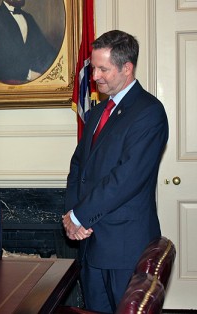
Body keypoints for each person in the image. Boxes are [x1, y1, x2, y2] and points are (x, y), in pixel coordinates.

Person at [62, 30, 169, 313]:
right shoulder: (97, 113)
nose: (95, 76)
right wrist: (73, 213)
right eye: (93, 67)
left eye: (102, 69)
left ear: (127, 68)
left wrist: (78, 215)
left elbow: (126, 180)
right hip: (90, 243)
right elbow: (78, 167)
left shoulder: (149, 112)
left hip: (124, 246)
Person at [0, 0, 57, 84]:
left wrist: (61, 63)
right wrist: (27, 74)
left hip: (37, 79)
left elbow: (45, 49)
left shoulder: (28, 18)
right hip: (9, 83)